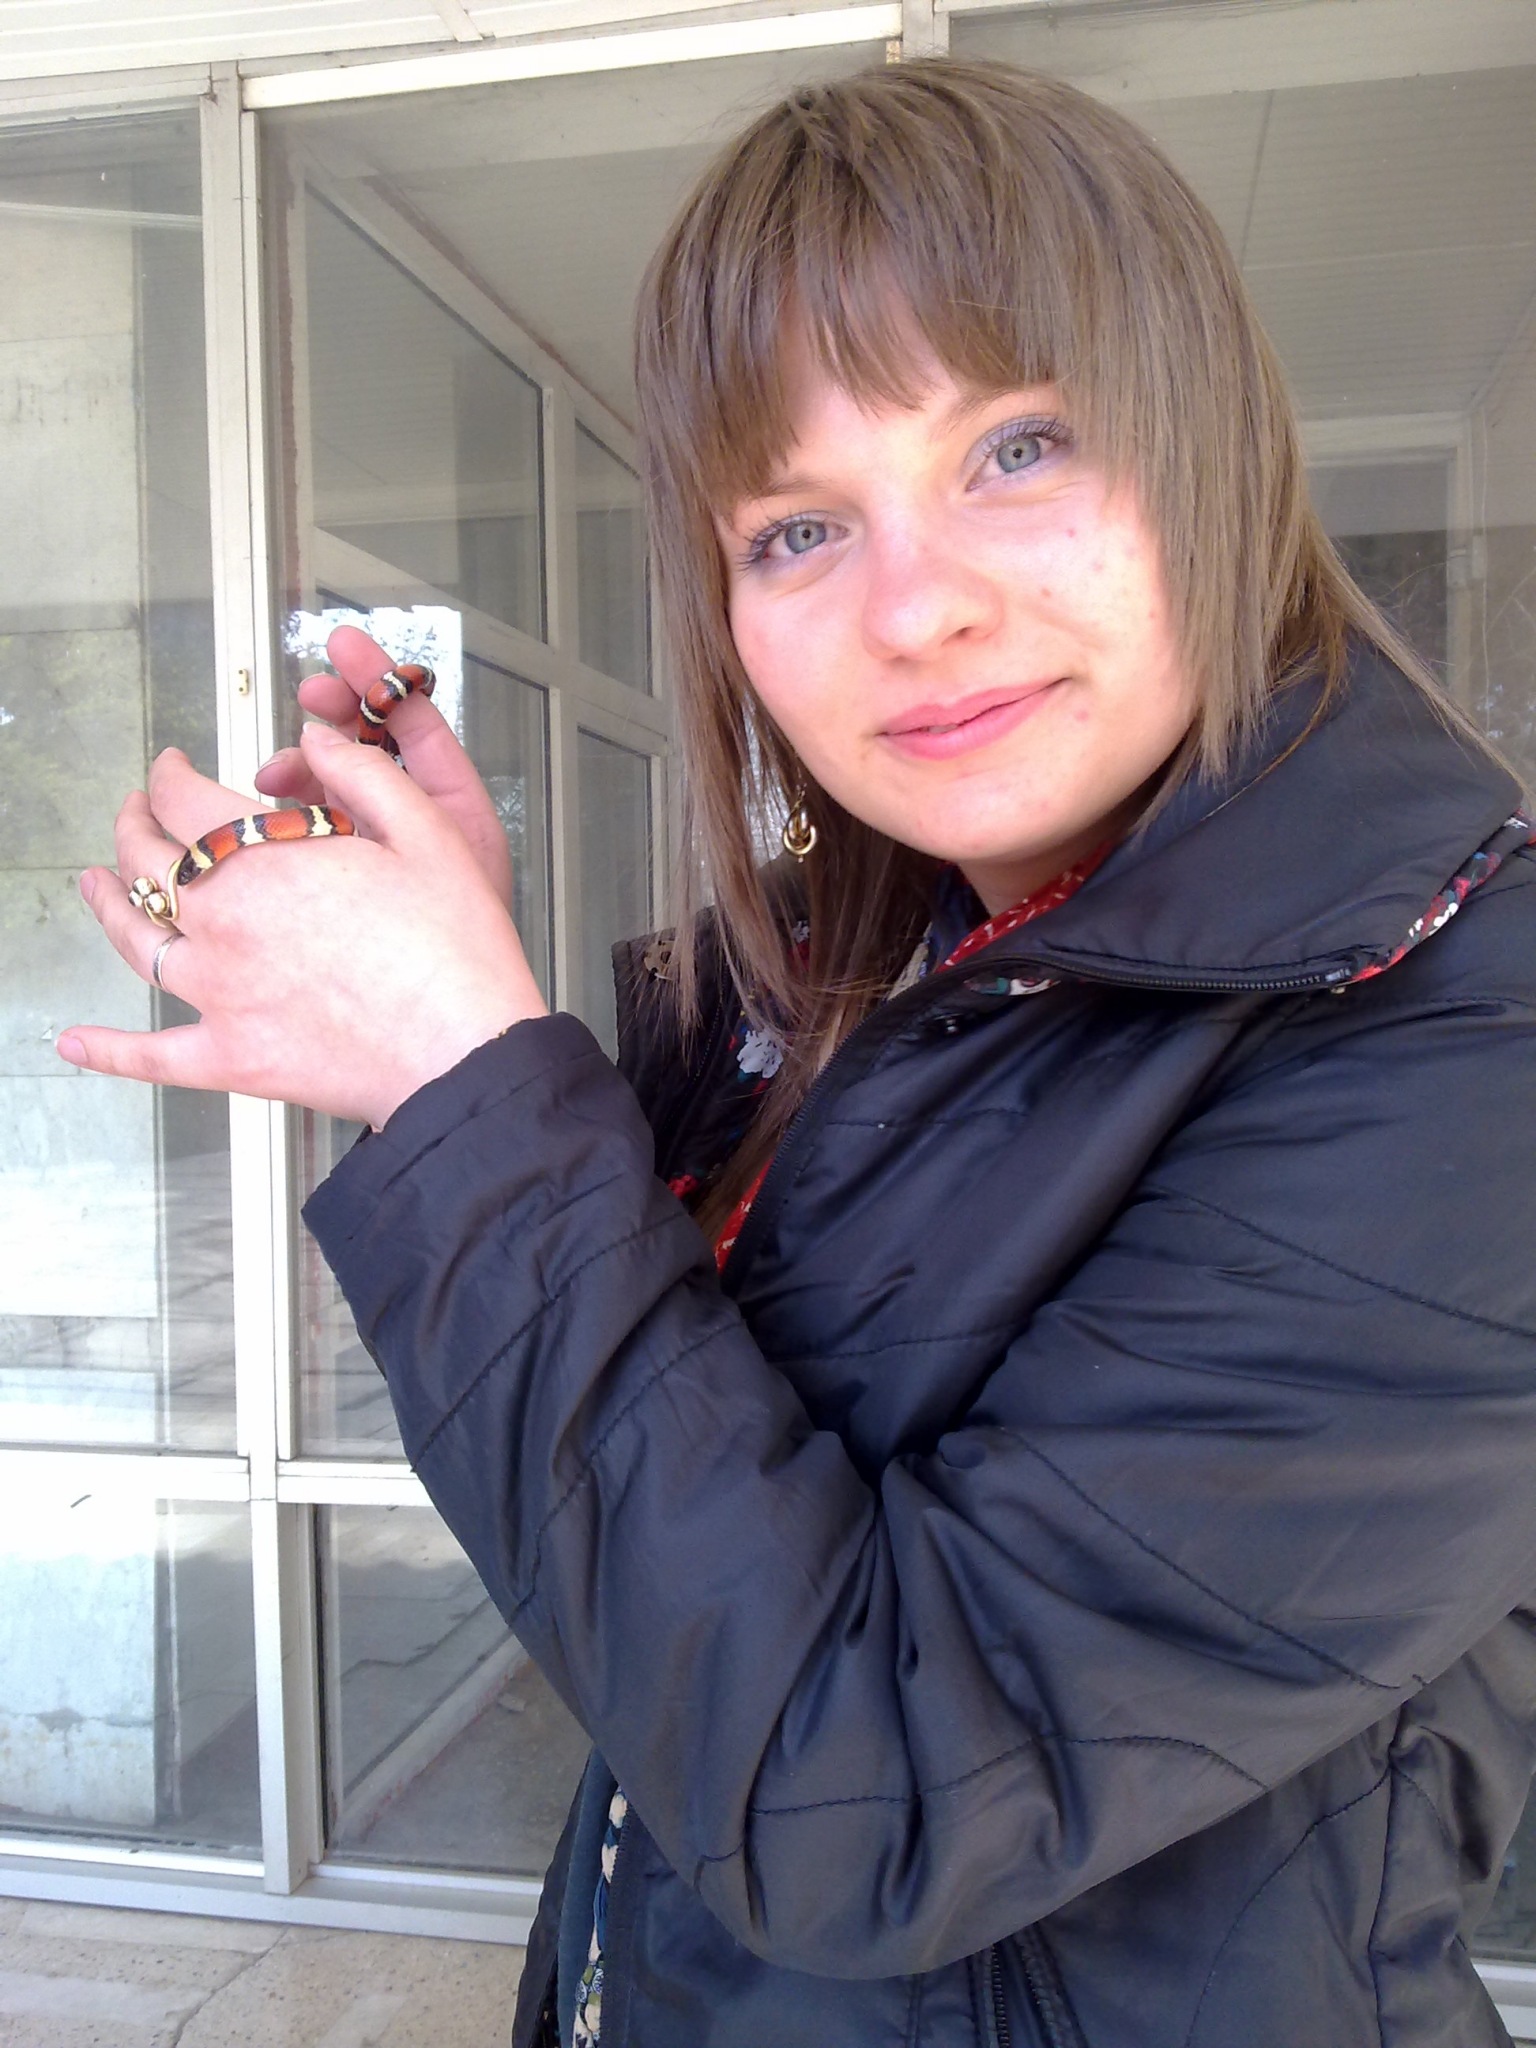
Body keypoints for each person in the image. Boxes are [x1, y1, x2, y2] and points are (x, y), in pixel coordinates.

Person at [61, 58, 1536, 2048]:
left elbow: (880, 1791)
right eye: (796, 528)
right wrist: (464, 1005)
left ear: (1217, 447)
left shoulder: (1468, 1026)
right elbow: (684, 1575)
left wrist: (458, 1078)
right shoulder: (876, 959)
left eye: (1019, 446)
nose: (915, 608)